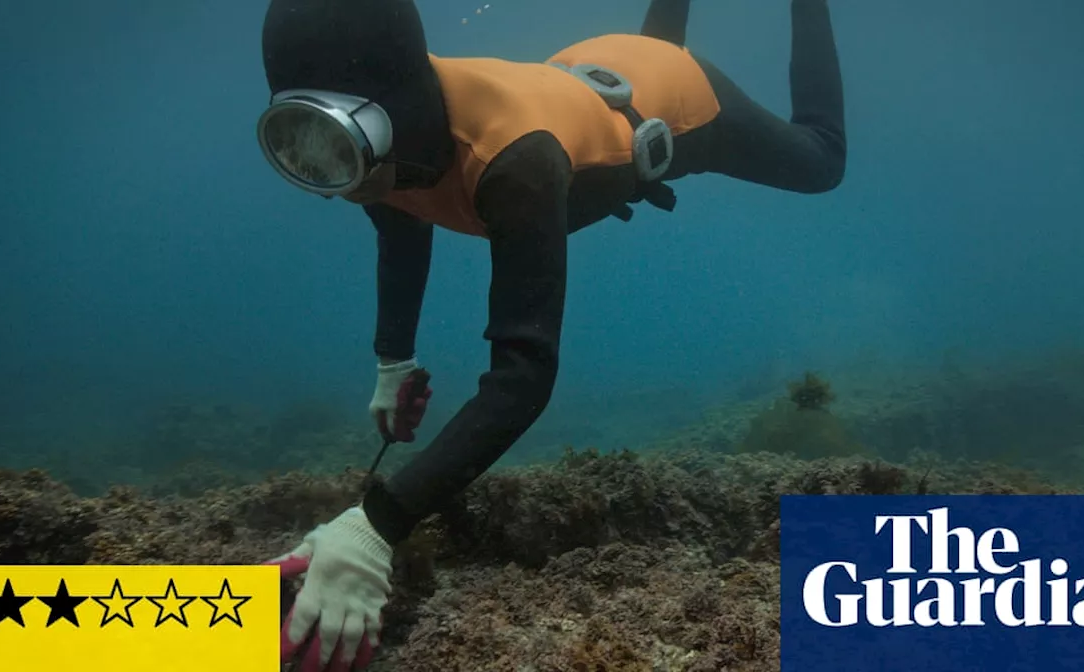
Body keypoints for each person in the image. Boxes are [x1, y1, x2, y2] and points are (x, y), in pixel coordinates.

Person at [256, 0, 847, 668]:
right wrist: (394, 361)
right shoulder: (385, 142)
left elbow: (523, 377)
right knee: (397, 164)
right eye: (299, 144)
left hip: (669, 90)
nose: (330, 181)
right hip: (586, 72)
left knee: (822, 162)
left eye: (333, 146)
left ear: (379, 118)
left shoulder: (514, 164)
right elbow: (400, 217)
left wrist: (376, 526)